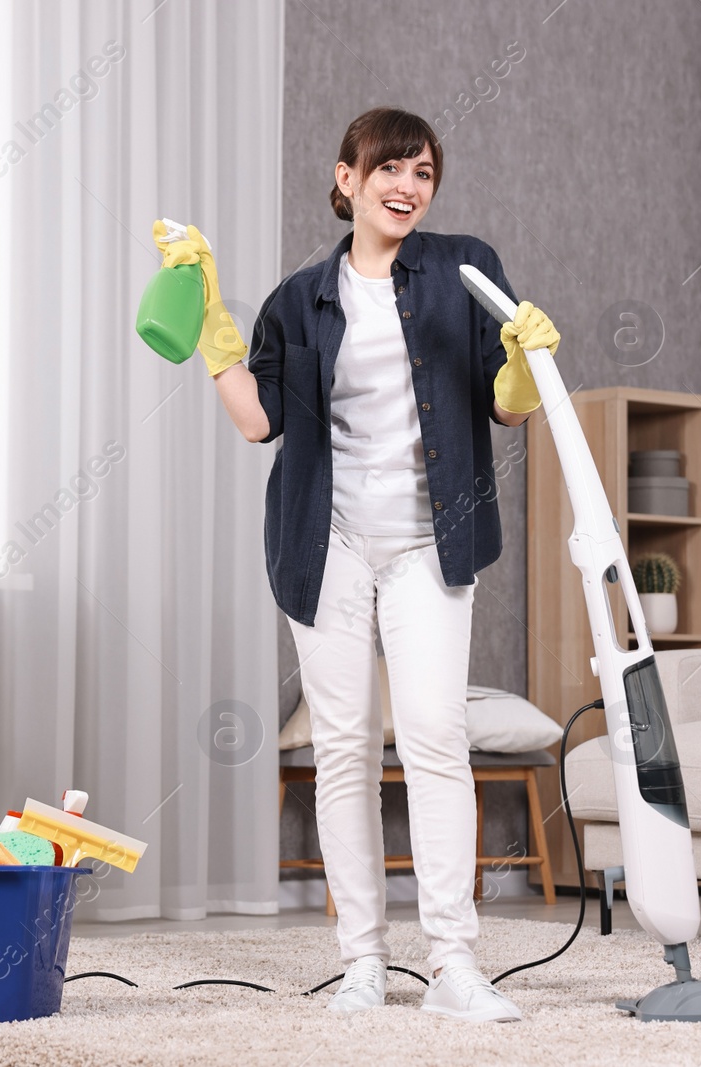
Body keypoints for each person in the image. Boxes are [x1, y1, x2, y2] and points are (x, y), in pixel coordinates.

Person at [161, 106, 560, 1024]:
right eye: (389, 168)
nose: (407, 187)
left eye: (423, 173)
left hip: (431, 539)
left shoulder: (467, 269)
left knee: (433, 740)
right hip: (326, 541)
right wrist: (214, 323)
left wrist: (525, 366)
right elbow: (260, 421)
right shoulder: (298, 299)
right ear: (345, 178)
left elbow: (504, 411)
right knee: (344, 752)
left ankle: (454, 964)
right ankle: (363, 965)